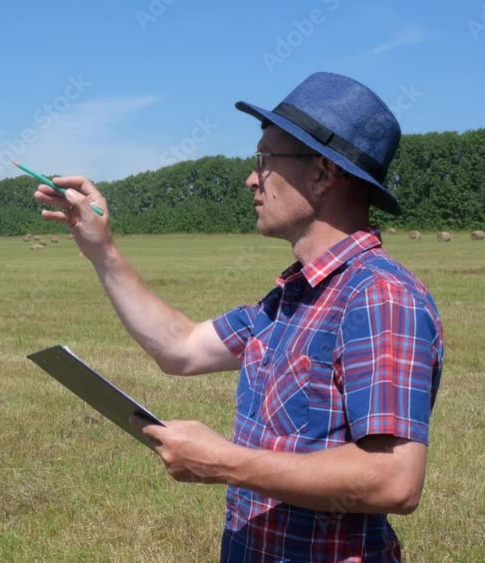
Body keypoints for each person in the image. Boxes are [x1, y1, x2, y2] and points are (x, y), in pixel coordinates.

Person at [33, 72, 443, 562]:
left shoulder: (379, 296)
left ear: (323, 174)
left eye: (266, 160)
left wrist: (224, 462)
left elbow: (394, 480)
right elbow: (180, 347)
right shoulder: (289, 300)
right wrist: (102, 250)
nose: (252, 177)